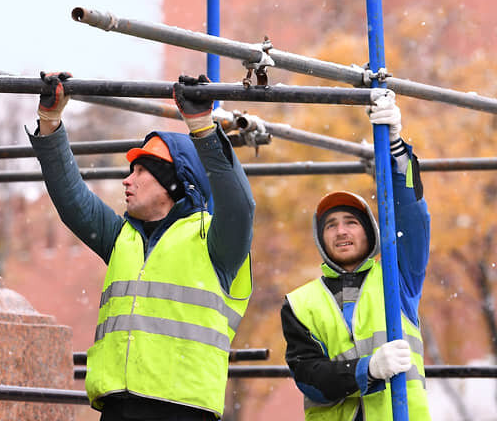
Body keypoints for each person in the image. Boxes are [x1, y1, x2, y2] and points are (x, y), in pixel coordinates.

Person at [28, 72, 256, 420]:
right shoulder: (124, 237)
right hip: (118, 407)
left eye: (140, 172)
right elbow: (72, 200)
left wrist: (202, 127)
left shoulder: (214, 241)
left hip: (183, 411)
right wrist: (50, 121)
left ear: (174, 184)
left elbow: (240, 206)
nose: (127, 180)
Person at [281, 92, 430, 420]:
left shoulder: (397, 277)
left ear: (371, 232)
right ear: (321, 238)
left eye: (351, 222)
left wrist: (396, 149)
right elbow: (310, 379)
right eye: (331, 225)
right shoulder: (299, 304)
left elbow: (413, 219)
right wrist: (368, 370)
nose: (341, 231)